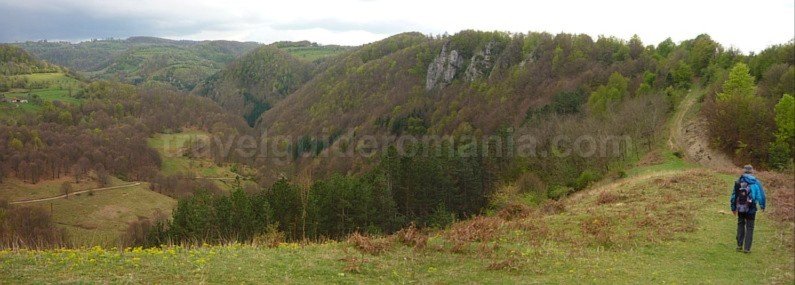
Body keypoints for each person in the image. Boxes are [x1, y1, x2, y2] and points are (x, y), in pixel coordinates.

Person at [730, 165, 766, 253]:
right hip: (752, 207)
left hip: (741, 207)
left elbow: (734, 196)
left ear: (744, 171)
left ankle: (739, 246)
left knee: (740, 224)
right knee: (750, 227)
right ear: (752, 171)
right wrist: (762, 205)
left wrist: (733, 208)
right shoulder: (756, 182)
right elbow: (761, 195)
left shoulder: (739, 181)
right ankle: (747, 248)